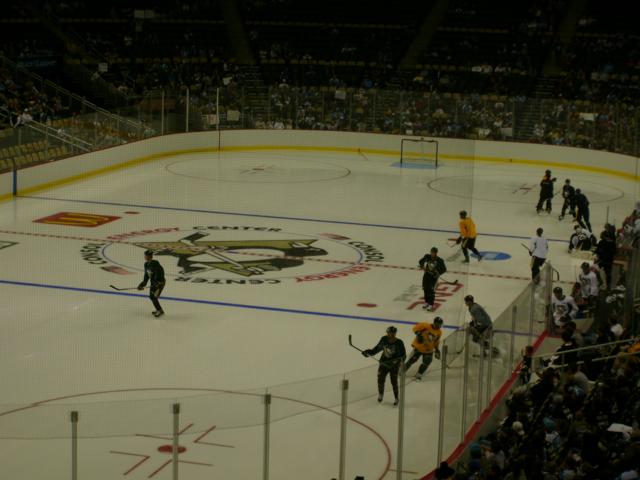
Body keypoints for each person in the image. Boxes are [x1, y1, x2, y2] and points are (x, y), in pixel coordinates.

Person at [362, 326, 407, 406]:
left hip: (394, 366)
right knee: (380, 379)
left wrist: (396, 362)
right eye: (389, 333)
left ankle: (396, 398)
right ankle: (381, 394)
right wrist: (368, 352)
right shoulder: (384, 339)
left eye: (392, 333)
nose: (390, 335)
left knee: (394, 381)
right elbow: (377, 349)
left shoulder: (399, 343)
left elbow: (403, 356)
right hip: (384, 363)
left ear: (395, 333)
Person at [138, 249, 166, 317]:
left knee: (153, 297)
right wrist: (142, 284)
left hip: (159, 283)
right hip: (153, 283)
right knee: (152, 297)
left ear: (149, 256)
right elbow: (146, 275)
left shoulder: (156, 264)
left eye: (146, 255)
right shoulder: (146, 264)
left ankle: (160, 311)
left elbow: (160, 274)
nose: (145, 256)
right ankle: (159, 310)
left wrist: (157, 283)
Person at [418, 247, 447, 311]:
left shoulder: (439, 260)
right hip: (426, 275)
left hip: (433, 277)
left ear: (436, 253)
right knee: (425, 289)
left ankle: (431, 304)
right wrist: (422, 265)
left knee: (431, 290)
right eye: (431, 252)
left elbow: (444, 269)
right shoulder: (427, 257)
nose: (432, 253)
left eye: (434, 252)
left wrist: (438, 273)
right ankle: (426, 302)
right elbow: (420, 261)